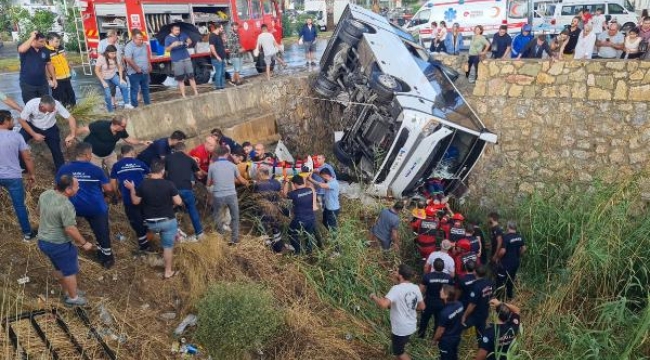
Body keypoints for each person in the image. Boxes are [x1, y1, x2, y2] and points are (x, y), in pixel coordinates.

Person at [37, 175, 94, 307]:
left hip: (43, 241)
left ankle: (67, 291)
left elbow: (39, 211)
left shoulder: (45, 194)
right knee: (69, 270)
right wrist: (84, 243)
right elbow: (70, 229)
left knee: (59, 267)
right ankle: (73, 299)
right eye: (77, 186)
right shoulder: (66, 205)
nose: (79, 188)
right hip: (58, 244)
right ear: (68, 190)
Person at [56, 143, 115, 269]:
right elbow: (109, 188)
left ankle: (68, 253)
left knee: (66, 228)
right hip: (95, 208)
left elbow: (58, 188)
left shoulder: (64, 169)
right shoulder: (96, 170)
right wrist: (108, 195)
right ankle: (107, 258)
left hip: (72, 207)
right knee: (102, 233)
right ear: (88, 155)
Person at [125, 159, 183, 279]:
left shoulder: (143, 184)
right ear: (162, 171)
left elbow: (135, 202)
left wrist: (132, 189)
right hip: (167, 221)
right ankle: (168, 272)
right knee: (168, 246)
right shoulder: (169, 184)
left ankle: (143, 249)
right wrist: (170, 204)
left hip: (151, 222)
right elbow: (179, 202)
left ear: (151, 171)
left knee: (152, 230)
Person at [370, 264, 425, 360]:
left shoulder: (396, 289)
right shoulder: (415, 287)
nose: (394, 272)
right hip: (411, 325)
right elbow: (422, 306)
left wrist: (374, 297)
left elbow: (383, 304)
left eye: (396, 271)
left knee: (399, 352)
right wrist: (409, 307)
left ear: (400, 275)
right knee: (399, 350)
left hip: (400, 329)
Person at [0, 110, 37, 240]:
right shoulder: (17, 137)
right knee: (19, 205)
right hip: (13, 176)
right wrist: (31, 174)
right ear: (5, 121)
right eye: (11, 119)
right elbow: (27, 158)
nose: (13, 121)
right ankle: (27, 234)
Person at [110, 145, 152, 251]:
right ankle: (149, 238)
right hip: (144, 197)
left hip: (128, 199)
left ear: (122, 153)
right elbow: (151, 174)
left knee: (136, 222)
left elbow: (112, 182)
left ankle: (144, 246)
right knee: (146, 218)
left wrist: (116, 193)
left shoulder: (117, 165)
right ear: (132, 152)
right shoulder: (139, 163)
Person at [19, 95, 77, 172]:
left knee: (56, 150)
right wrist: (34, 134)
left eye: (54, 108)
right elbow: (21, 120)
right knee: (18, 141)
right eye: (51, 110)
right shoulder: (31, 104)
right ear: (42, 107)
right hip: (32, 126)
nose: (53, 110)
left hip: (50, 128)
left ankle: (61, 172)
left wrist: (72, 134)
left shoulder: (56, 105)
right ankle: (25, 167)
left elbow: (71, 118)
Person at [79, 115, 151, 174]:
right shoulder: (101, 125)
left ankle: (115, 187)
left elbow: (128, 139)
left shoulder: (121, 130)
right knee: (97, 173)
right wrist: (72, 135)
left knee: (115, 170)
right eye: (124, 126)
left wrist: (142, 142)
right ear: (116, 125)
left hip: (109, 153)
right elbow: (84, 129)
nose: (125, 127)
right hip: (94, 154)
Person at [207, 146, 248, 245]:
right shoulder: (232, 166)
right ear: (227, 154)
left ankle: (220, 236)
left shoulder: (212, 167)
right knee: (235, 217)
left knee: (217, 216)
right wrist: (247, 182)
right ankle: (235, 239)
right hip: (231, 195)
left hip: (218, 195)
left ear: (217, 154)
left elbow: (208, 183)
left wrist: (210, 193)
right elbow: (241, 180)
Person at [165, 142, 206, 240]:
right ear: (185, 150)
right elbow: (199, 174)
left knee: (170, 211)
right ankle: (200, 234)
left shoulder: (168, 158)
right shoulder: (189, 159)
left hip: (172, 190)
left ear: (175, 150)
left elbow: (164, 172)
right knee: (192, 210)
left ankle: (175, 234)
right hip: (186, 188)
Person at [283, 174, 319, 254]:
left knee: (291, 233)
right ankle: (309, 252)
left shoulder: (294, 194)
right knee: (308, 235)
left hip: (300, 219)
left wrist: (286, 182)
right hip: (311, 218)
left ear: (295, 184)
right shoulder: (310, 190)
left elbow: (284, 194)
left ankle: (297, 251)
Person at [418, 258, 453, 338]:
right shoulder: (448, 278)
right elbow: (450, 292)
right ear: (443, 267)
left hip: (429, 302)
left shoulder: (427, 276)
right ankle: (435, 339)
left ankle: (420, 336)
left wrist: (420, 301)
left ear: (433, 266)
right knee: (438, 322)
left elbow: (420, 290)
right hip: (441, 304)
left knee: (424, 320)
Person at [18, 31, 56, 104]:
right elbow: (21, 49)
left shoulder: (45, 50)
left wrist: (53, 78)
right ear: (34, 40)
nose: (43, 43)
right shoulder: (26, 48)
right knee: (31, 105)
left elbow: (48, 64)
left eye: (44, 41)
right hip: (27, 84)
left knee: (46, 104)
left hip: (43, 84)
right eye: (41, 41)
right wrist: (32, 36)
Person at [461, 265, 494, 346]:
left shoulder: (476, 286)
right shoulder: (489, 283)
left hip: (474, 316)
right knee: (481, 335)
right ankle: (483, 349)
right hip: (484, 313)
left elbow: (472, 305)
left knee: (458, 326)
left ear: (475, 272)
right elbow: (491, 298)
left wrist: (464, 316)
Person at [253, 167, 284, 252]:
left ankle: (268, 250)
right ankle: (278, 249)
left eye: (258, 174)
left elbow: (254, 197)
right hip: (276, 210)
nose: (257, 175)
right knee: (276, 229)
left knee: (264, 230)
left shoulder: (259, 184)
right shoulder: (277, 182)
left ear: (261, 174)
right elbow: (281, 193)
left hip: (264, 211)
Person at [165, 24, 199, 98]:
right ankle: (184, 95)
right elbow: (167, 49)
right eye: (176, 30)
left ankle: (196, 92)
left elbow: (189, 40)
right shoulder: (168, 38)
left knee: (191, 76)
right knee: (180, 79)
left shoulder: (182, 34)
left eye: (179, 30)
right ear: (172, 30)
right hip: (177, 60)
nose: (178, 31)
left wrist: (188, 42)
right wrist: (172, 45)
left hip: (186, 57)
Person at [95, 45, 132, 112]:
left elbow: (120, 67)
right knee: (108, 96)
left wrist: (121, 79)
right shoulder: (101, 58)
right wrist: (103, 82)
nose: (114, 55)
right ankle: (110, 111)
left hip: (113, 76)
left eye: (115, 53)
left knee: (124, 85)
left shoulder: (115, 57)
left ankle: (127, 104)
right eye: (112, 53)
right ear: (107, 52)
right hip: (104, 78)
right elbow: (96, 70)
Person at [496, 221, 526, 300]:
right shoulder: (520, 236)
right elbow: (523, 248)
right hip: (515, 262)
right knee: (511, 279)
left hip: (506, 263)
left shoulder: (506, 237)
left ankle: (498, 298)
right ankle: (509, 296)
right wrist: (518, 255)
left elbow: (503, 251)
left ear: (508, 227)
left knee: (500, 280)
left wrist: (497, 258)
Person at [433, 285, 464, 360]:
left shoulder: (444, 313)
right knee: (453, 355)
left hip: (446, 341)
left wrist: (434, 340)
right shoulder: (460, 305)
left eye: (442, 291)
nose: (440, 291)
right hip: (457, 336)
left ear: (446, 295)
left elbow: (440, 330)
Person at [45, 32, 76, 107]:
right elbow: (46, 67)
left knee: (71, 96)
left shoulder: (61, 48)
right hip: (57, 80)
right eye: (56, 41)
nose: (58, 43)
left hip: (66, 77)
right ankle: (62, 115)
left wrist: (71, 69)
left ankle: (73, 110)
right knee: (61, 99)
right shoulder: (46, 51)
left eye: (59, 41)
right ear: (50, 40)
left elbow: (65, 60)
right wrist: (49, 79)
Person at [124, 29, 151, 108]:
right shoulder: (129, 46)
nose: (141, 40)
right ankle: (135, 106)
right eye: (139, 39)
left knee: (145, 89)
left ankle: (148, 105)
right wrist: (137, 68)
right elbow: (128, 59)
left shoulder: (144, 45)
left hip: (145, 71)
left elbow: (146, 56)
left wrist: (149, 65)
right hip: (134, 73)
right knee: (134, 90)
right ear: (133, 38)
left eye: (142, 38)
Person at [209, 23, 227, 91]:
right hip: (216, 58)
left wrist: (224, 39)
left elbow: (221, 45)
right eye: (221, 28)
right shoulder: (212, 36)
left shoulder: (219, 35)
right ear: (218, 28)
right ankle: (218, 87)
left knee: (222, 73)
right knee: (218, 73)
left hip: (222, 57)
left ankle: (222, 86)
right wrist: (217, 57)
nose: (222, 30)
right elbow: (212, 48)